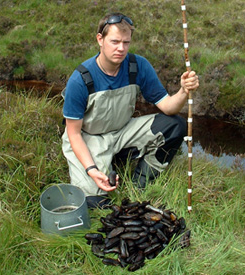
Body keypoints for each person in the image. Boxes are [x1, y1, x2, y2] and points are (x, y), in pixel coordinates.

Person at [62, 13, 199, 208]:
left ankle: (140, 183)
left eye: (126, 42)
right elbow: (73, 133)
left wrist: (184, 91)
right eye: (115, 41)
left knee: (175, 125)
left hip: (123, 131)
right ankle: (103, 167)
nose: (121, 48)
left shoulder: (138, 66)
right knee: (95, 203)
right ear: (100, 39)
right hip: (88, 137)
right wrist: (91, 169)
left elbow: (168, 107)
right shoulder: (81, 79)